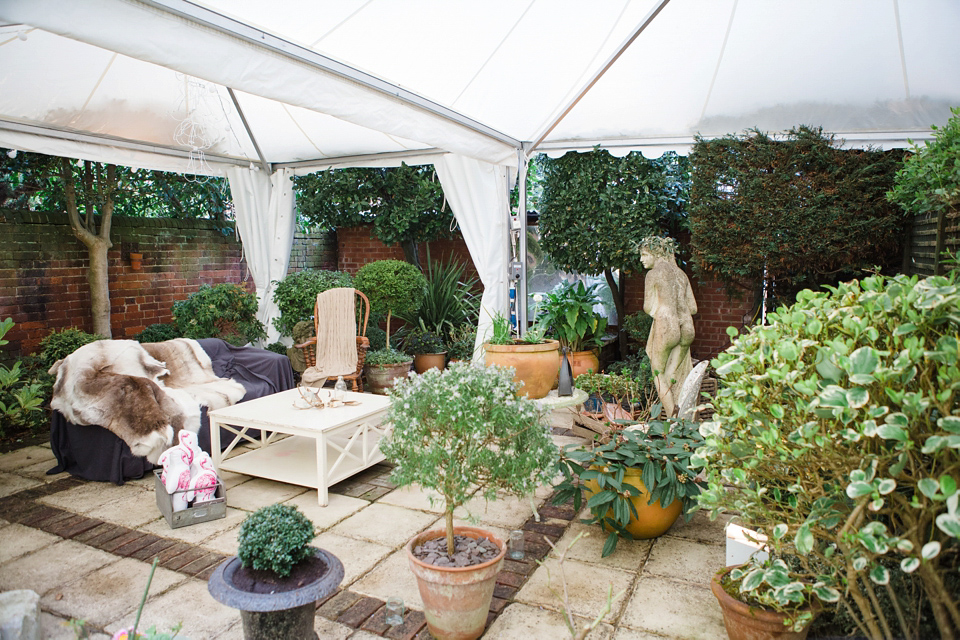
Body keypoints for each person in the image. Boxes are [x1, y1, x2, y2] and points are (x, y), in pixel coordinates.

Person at [640, 236, 697, 417]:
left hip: (667, 325)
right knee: (672, 375)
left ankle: (673, 418)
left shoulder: (654, 274)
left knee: (658, 373)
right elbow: (693, 308)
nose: (641, 259)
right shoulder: (681, 274)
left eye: (644, 254)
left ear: (656, 253)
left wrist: (662, 310)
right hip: (687, 325)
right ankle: (682, 415)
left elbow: (648, 307)